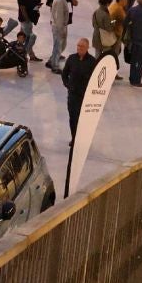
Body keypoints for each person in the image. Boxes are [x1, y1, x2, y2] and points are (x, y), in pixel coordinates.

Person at [58, 39, 100, 182]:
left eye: (82, 46)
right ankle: (74, 138)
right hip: (73, 94)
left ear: (87, 48)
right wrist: (67, 85)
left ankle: (81, 140)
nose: (79, 48)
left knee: (84, 119)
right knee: (73, 117)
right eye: (78, 46)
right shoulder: (71, 59)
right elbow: (65, 74)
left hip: (86, 96)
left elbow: (96, 79)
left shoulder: (92, 62)